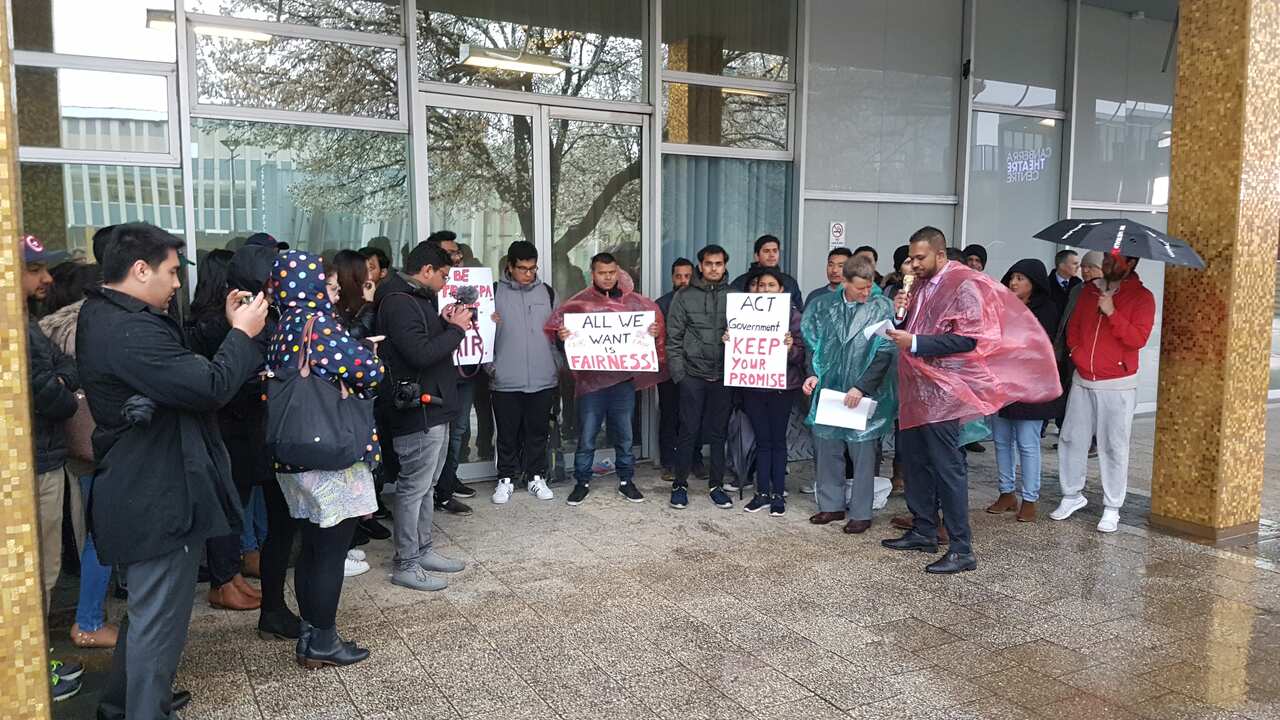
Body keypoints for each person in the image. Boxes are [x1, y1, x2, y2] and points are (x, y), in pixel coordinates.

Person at [80, 222, 268, 719]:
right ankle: (145, 710)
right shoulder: (128, 330)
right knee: (158, 622)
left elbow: (177, 363)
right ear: (140, 270)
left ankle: (126, 704)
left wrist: (225, 329)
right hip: (156, 491)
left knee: (148, 615)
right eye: (169, 271)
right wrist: (244, 336)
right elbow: (209, 385)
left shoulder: (112, 314)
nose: (178, 283)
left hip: (146, 484)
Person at [882, 227, 1059, 574]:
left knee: (947, 468)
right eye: (911, 258)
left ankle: (961, 548)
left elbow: (969, 339)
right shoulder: (917, 285)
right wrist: (900, 314)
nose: (913, 265)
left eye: (920, 258)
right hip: (914, 390)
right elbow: (911, 327)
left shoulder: (963, 284)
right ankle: (923, 529)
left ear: (940, 254)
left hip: (943, 395)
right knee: (915, 461)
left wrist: (915, 342)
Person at [265, 250, 383, 667]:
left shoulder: (284, 324)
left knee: (312, 548)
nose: (330, 290)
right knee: (330, 550)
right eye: (324, 281)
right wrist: (368, 354)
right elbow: (367, 373)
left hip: (296, 455)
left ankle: (310, 634)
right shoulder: (317, 325)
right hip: (330, 455)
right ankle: (323, 640)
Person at [374, 242, 471, 591]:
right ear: (426, 270)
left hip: (435, 406)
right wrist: (457, 330)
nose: (446, 284)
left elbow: (425, 342)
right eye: (443, 275)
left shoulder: (416, 299)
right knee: (414, 488)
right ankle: (407, 561)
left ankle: (423, 549)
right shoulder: (399, 302)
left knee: (426, 487)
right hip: (418, 411)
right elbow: (419, 354)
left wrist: (444, 324)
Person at [40, 261, 118, 651]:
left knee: (87, 533)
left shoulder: (46, 328)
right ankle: (88, 621)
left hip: (68, 450)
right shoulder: (87, 327)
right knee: (99, 536)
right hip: (93, 445)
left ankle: (89, 617)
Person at [547, 253, 666, 506]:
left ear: (617, 272)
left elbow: (645, 337)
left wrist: (652, 333)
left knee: (624, 434)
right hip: (592, 382)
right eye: (602, 272)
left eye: (612, 272)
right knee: (587, 435)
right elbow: (559, 338)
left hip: (622, 381)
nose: (608, 277)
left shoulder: (634, 304)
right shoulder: (580, 304)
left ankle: (626, 481)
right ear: (593, 274)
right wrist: (563, 336)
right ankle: (582, 481)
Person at [22, 235, 86, 701]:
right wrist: (63, 388)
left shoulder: (28, 323)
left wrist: (62, 378)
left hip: (41, 458)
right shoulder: (18, 332)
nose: (46, 279)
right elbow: (55, 395)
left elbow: (65, 370)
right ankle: (31, 673)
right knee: (39, 572)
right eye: (35, 269)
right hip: (36, 465)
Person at [1052, 251, 1156, 533]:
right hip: (1083, 377)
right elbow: (1073, 329)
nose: (1106, 266)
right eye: (1105, 260)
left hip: (1117, 382)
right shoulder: (1088, 292)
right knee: (1072, 437)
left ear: (1131, 264)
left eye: (1114, 261)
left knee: (1113, 444)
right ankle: (1072, 494)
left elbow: (1137, 338)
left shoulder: (1141, 297)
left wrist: (1112, 312)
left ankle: (1112, 507)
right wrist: (1077, 352)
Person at [801, 256, 898, 533]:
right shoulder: (822, 307)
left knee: (863, 452)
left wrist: (862, 386)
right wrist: (811, 374)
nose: (865, 294)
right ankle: (830, 505)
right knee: (827, 447)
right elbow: (811, 344)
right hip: (829, 389)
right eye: (860, 289)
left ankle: (861, 512)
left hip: (863, 392)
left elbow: (884, 353)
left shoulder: (881, 307)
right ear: (844, 282)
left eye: (869, 288)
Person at [987, 259, 1062, 523]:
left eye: (1021, 278)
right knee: (1001, 441)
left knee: (1028, 444)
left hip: (1031, 388)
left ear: (1035, 283)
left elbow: (1037, 347)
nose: (1014, 283)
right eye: (1012, 277)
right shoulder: (1002, 306)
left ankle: (1030, 497)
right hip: (1001, 384)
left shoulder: (1047, 309)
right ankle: (1006, 492)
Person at [489, 241, 561, 504]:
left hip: (543, 378)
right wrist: (491, 366)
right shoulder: (494, 293)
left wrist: (556, 363)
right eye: (522, 268)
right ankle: (505, 479)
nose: (528, 274)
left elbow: (557, 332)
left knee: (538, 432)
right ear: (510, 266)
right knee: (507, 434)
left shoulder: (548, 293)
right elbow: (480, 335)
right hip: (506, 378)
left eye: (532, 268)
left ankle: (535, 477)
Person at [666, 244, 735, 510]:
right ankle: (680, 484)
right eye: (709, 264)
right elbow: (673, 339)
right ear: (701, 265)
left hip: (723, 375)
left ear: (725, 265)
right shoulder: (684, 296)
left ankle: (716, 485)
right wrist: (679, 375)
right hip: (692, 375)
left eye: (718, 264)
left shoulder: (737, 296)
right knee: (688, 431)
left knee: (718, 433)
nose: (714, 268)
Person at [736, 267, 806, 517]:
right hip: (753, 384)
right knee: (762, 441)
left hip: (782, 386)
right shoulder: (742, 313)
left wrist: (790, 349)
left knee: (777, 441)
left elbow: (803, 354)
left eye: (770, 285)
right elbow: (737, 349)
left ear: (781, 289)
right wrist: (729, 341)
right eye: (760, 285)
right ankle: (761, 493)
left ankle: (778, 493)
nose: (764, 289)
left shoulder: (794, 316)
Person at [421, 231, 478, 517]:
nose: (455, 257)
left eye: (456, 253)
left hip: (464, 369)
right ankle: (436, 492)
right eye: (449, 253)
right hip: (439, 372)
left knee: (457, 432)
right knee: (439, 435)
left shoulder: (469, 283)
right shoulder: (426, 293)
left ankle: (446, 486)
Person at [656, 258, 703, 480]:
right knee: (669, 416)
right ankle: (669, 463)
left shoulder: (704, 301)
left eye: (687, 276)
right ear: (672, 278)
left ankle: (696, 460)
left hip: (696, 370)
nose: (683, 280)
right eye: (678, 276)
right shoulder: (660, 304)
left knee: (694, 417)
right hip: (668, 370)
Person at [1053, 251, 1103, 437]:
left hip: (1094, 357)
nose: (1086, 270)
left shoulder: (1108, 292)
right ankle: (1070, 434)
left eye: (1091, 267)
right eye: (1084, 266)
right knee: (1071, 396)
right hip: (1072, 353)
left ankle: (1093, 439)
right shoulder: (1078, 290)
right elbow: (1067, 320)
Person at [729, 234, 803, 311]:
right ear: (756, 256)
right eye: (766, 251)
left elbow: (799, 311)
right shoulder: (741, 282)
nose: (772, 255)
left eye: (775, 251)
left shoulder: (789, 282)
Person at [1048, 249, 1082, 320]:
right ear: (1062, 266)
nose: (1078, 267)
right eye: (1074, 264)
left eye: (1078, 264)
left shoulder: (1079, 285)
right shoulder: (1046, 285)